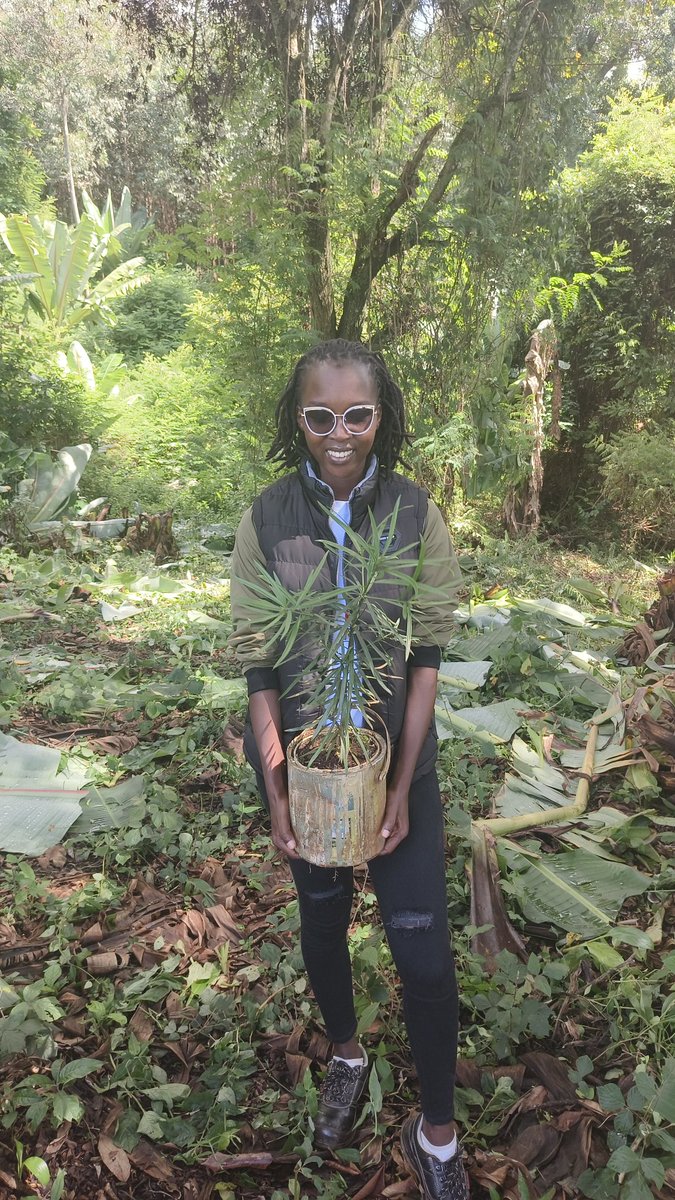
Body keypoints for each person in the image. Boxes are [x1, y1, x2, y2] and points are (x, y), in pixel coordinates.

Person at [229, 340, 468, 1200]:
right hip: (309, 770)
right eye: (319, 415)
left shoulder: (413, 513)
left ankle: (434, 1133)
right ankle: (348, 1051)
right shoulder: (266, 517)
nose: (340, 433)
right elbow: (257, 662)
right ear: (297, 417)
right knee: (323, 923)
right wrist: (276, 787)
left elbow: (428, 650)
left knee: (424, 950)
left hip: (398, 764)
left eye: (357, 415)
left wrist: (401, 785)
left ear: (380, 416)